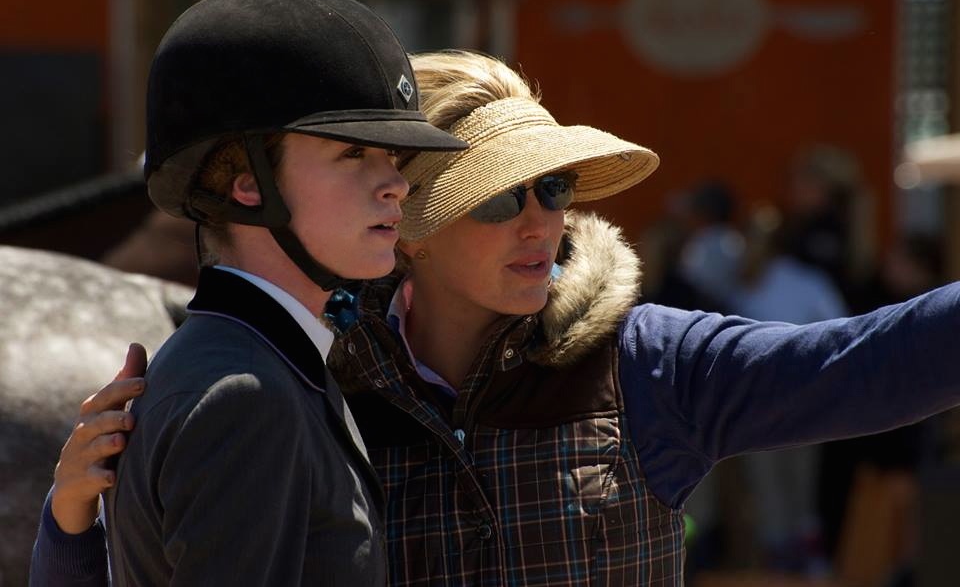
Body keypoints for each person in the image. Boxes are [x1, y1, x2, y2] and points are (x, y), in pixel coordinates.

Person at [33, 50, 960, 586]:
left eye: (553, 188)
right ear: (409, 230)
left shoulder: (648, 362)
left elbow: (873, 362)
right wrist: (73, 527)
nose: (543, 221)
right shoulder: (312, 386)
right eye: (500, 198)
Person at [30, 0, 466, 586]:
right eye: (353, 153)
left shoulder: (260, 365)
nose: (396, 184)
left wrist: (68, 533)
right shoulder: (247, 398)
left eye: (393, 158)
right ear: (249, 185)